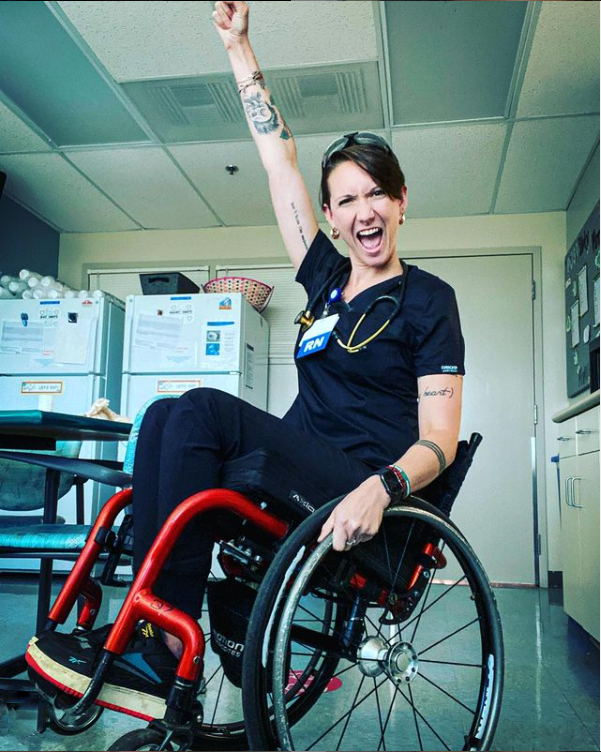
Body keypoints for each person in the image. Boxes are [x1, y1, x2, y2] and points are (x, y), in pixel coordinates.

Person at [27, 0, 464, 720]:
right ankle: (151, 624)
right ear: (330, 217)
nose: (364, 212)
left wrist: (383, 488)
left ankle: (162, 644)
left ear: (401, 200)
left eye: (376, 193)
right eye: (346, 199)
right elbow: (277, 159)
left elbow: (440, 440)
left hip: (357, 482)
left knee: (198, 408)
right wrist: (238, 49)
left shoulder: (427, 299)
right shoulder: (326, 280)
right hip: (299, 463)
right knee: (165, 412)